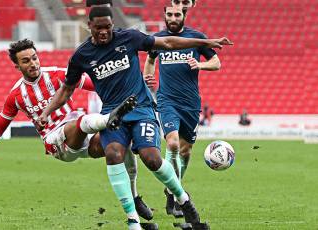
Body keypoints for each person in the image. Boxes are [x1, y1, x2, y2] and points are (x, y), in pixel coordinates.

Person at [38, 6, 232, 230]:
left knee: (152, 159)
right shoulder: (81, 55)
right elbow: (66, 90)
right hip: (112, 114)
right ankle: (133, 222)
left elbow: (167, 43)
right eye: (98, 28)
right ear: (89, 26)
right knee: (113, 153)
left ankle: (183, 199)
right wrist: (46, 112)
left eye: (108, 27)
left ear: (112, 25)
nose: (104, 32)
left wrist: (204, 43)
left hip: (141, 109)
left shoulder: (128, 38)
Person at [0, 39, 153, 220]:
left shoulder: (59, 75)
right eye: (25, 61)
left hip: (83, 136)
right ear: (17, 66)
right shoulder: (15, 96)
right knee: (82, 120)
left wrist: (137, 87)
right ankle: (109, 119)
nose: (32, 63)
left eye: (34, 58)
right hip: (56, 143)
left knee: (120, 146)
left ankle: (134, 199)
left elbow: (98, 86)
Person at [143, 5, 224, 219]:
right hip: (166, 100)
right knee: (172, 144)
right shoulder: (158, 39)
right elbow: (150, 60)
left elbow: (217, 63)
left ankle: (171, 188)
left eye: (177, 14)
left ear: (184, 16)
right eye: (169, 14)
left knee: (186, 152)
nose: (172, 18)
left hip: (191, 103)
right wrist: (148, 78)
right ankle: (177, 197)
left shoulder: (196, 38)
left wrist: (200, 65)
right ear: (165, 16)